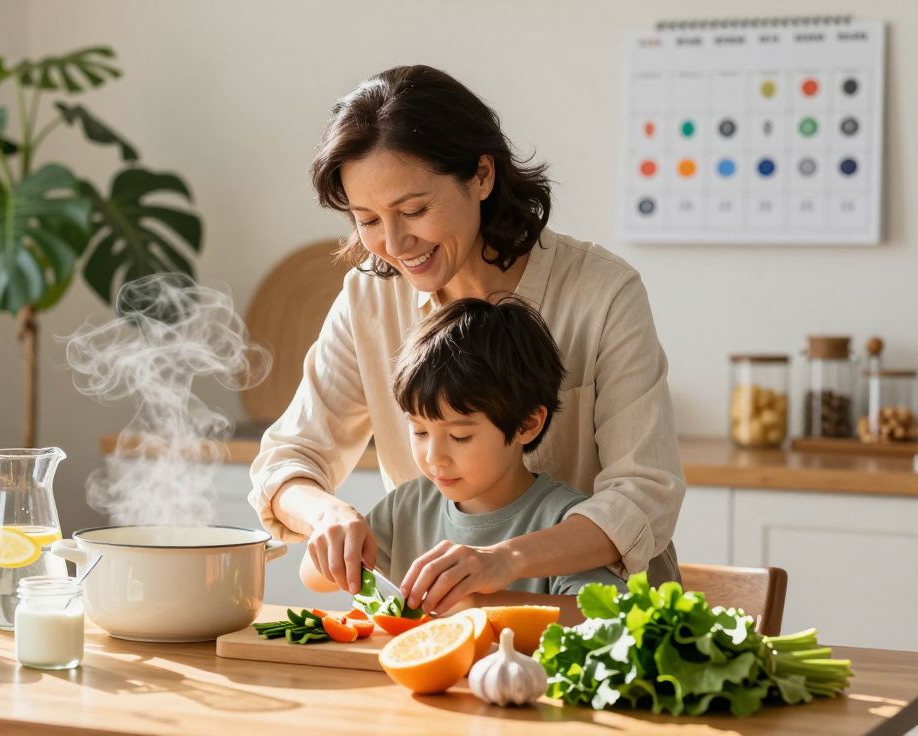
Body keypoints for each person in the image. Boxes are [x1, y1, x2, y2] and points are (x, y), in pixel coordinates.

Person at [249, 64, 684, 616]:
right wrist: (327, 516)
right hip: (443, 632)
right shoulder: (368, 297)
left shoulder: (601, 292)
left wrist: (504, 559)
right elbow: (288, 458)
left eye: (414, 210)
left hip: (593, 626)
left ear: (481, 176)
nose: (394, 242)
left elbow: (643, 495)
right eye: (368, 219)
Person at [298, 297, 625, 610]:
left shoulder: (564, 521)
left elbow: (606, 614)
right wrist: (335, 536)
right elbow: (312, 579)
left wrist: (480, 607)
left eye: (459, 436)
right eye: (420, 432)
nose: (434, 457)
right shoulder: (409, 505)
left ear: (527, 424)